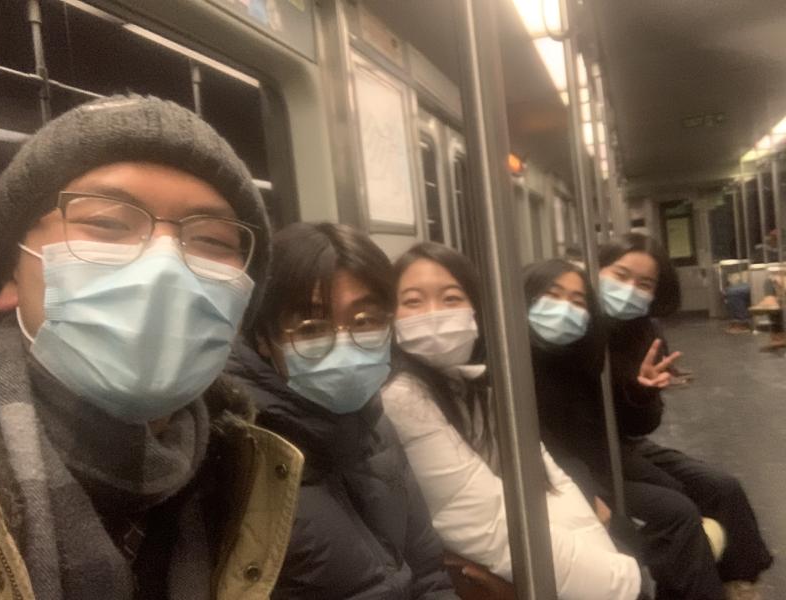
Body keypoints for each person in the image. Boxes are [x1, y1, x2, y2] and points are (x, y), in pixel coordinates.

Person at [0, 95, 304, 598]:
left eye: (213, 241)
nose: (164, 266)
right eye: (108, 224)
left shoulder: (244, 479)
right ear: (11, 271)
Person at [381, 242, 644, 600]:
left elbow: (543, 476)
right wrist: (617, 579)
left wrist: (604, 560)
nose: (434, 314)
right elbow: (482, 520)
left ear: (476, 309)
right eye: (413, 302)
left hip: (531, 536)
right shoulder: (403, 396)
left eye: (452, 298)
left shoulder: (479, 383)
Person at [224, 224, 457, 599]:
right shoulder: (236, 453)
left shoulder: (377, 427)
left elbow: (429, 574)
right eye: (312, 328)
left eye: (366, 321)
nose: (345, 343)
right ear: (265, 339)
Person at [599, 233, 773, 600]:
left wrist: (642, 393)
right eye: (619, 275)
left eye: (644, 283)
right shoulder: (579, 331)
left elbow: (642, 424)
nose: (629, 289)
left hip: (626, 442)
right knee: (676, 506)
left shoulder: (646, 333)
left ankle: (739, 582)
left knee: (722, 487)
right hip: (591, 450)